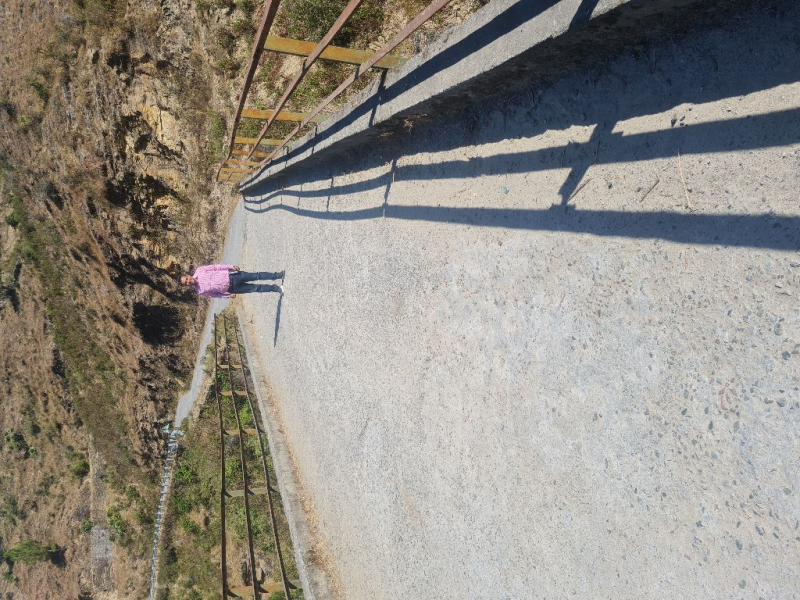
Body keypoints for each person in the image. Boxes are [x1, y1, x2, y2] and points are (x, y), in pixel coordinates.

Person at [180, 264, 284, 298]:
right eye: (186, 283)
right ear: (187, 286)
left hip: (233, 276)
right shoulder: (200, 291)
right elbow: (215, 295)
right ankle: (276, 288)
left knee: (256, 275)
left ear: (188, 275)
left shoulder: (200, 270)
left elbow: (216, 267)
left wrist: (230, 266)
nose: (188, 281)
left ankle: (277, 275)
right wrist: (228, 296)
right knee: (256, 288)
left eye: (187, 279)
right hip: (232, 288)